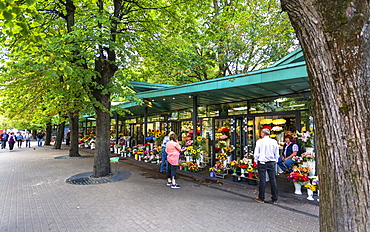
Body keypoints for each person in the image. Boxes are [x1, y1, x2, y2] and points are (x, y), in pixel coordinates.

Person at [254, 128, 279, 204]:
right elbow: (276, 152)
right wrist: (275, 160)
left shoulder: (260, 141)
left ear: (263, 134)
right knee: (273, 180)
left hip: (262, 162)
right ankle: (275, 199)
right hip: (271, 162)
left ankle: (261, 198)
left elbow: (256, 152)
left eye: (261, 133)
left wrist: (255, 160)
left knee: (262, 180)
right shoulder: (274, 141)